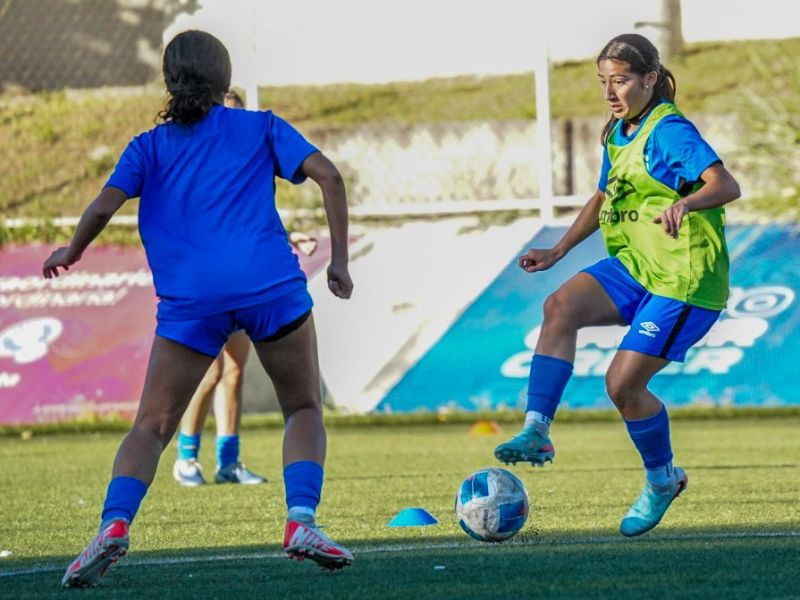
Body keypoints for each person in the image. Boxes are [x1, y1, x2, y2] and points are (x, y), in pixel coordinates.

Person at [45, 30, 354, 588]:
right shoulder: (261, 127)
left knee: (150, 426)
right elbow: (329, 176)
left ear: (169, 81)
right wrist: (340, 264)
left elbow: (102, 207)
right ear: (225, 80)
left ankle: (114, 525)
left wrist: (71, 251)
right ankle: (301, 521)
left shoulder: (147, 147)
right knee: (303, 408)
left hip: (192, 302)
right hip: (270, 288)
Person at [494, 33, 740, 537]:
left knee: (623, 386)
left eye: (621, 80)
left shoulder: (669, 130)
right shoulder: (619, 131)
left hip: (683, 277)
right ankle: (537, 431)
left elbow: (725, 184)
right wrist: (559, 250)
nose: (610, 92)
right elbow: (604, 196)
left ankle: (662, 480)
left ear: (650, 78)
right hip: (636, 266)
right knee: (560, 306)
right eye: (604, 81)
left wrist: (686, 202)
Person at [172, 90, 266, 487]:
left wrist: (288, 238)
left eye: (237, 116)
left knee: (235, 370)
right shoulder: (197, 168)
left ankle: (228, 462)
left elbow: (257, 220)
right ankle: (186, 458)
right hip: (207, 283)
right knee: (208, 372)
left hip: (242, 279)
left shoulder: (246, 168)